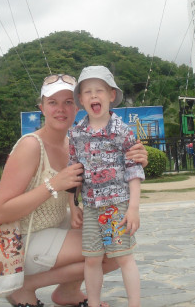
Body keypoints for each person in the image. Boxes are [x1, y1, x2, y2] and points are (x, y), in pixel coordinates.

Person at [0, 73, 148, 307]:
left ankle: (67, 292)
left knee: (117, 241)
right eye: (52, 102)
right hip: (22, 240)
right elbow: (0, 212)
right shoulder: (30, 146)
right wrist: (53, 184)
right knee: (107, 247)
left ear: (77, 107)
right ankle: (25, 286)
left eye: (67, 102)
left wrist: (137, 158)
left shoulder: (74, 142)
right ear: (42, 108)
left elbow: (106, 172)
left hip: (53, 227)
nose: (61, 109)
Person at [69, 66, 145, 307]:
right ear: (81, 100)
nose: (94, 95)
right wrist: (73, 206)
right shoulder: (76, 134)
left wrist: (133, 208)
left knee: (124, 257)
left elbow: (134, 170)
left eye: (99, 90)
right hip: (91, 207)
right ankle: (93, 303)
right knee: (91, 259)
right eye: (87, 91)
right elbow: (74, 173)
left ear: (111, 95)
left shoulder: (123, 132)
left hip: (117, 206)